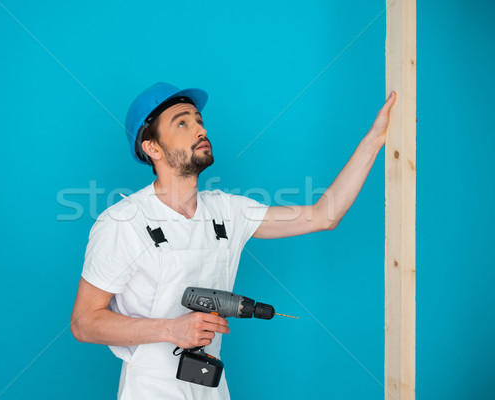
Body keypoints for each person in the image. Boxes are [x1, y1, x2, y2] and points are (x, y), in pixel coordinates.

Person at [70, 82, 396, 399]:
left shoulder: (226, 211)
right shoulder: (123, 222)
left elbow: (325, 215)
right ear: (151, 147)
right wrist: (169, 330)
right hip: (151, 389)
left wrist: (375, 138)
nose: (200, 130)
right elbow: (84, 322)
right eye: (182, 123)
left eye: (199, 121)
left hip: (210, 385)